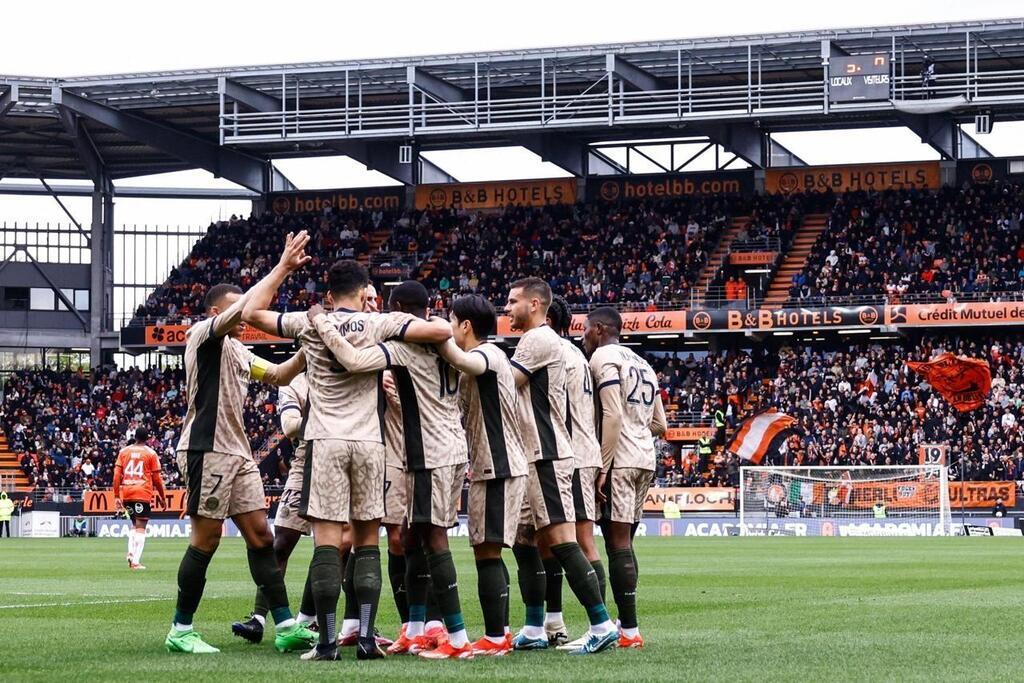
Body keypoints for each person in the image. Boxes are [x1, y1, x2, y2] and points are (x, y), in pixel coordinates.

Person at [243, 261, 451, 662]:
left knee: (327, 543)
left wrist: (284, 267)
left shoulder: (308, 321)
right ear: (363, 293)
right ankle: (368, 640)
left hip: (324, 440)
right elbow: (441, 330)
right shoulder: (379, 323)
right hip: (370, 443)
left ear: (329, 294)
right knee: (366, 541)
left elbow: (251, 311)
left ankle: (325, 643)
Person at [165, 231, 315, 656]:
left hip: (237, 452)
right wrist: (283, 267)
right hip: (205, 450)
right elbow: (249, 307)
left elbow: (282, 375)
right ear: (218, 312)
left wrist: (311, 346)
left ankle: (285, 625)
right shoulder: (203, 335)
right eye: (238, 309)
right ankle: (181, 628)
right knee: (206, 538)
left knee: (261, 537)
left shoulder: (238, 351)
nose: (247, 316)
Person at [308, 281, 473, 660]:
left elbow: (351, 360)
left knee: (426, 539)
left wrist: (322, 322)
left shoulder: (401, 349)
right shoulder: (450, 345)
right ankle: (416, 627)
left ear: (396, 310)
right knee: (410, 536)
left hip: (427, 452)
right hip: (447, 445)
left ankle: (457, 638)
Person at [504, 277, 618, 656]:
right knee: (528, 540)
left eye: (512, 301)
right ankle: (541, 624)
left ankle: (600, 623)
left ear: (540, 308)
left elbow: (558, 409)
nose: (506, 309)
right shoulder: (575, 354)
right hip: (550, 453)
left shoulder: (545, 345)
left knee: (570, 540)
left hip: (558, 453)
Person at [437, 294, 529, 656]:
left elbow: (459, 359)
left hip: (498, 466)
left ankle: (495, 636)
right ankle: (499, 633)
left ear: (465, 326)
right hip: (497, 464)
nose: (446, 326)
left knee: (487, 551)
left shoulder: (486, 355)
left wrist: (428, 334)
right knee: (487, 549)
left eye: (449, 320)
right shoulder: (489, 358)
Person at [583, 306, 667, 649]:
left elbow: (613, 413)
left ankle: (628, 631)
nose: (582, 335)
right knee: (625, 545)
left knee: (616, 544)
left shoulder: (603, 358)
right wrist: (637, 429)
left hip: (619, 459)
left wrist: (602, 466)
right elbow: (662, 425)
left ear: (601, 329)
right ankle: (625, 623)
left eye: (586, 328)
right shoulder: (643, 364)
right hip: (645, 458)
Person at [231, 372, 319, 644]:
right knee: (279, 545)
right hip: (304, 464)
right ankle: (258, 619)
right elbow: (290, 426)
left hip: (341, 463)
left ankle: (308, 620)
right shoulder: (297, 383)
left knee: (334, 549)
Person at [542, 295, 605, 650]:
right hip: (581, 451)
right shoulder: (576, 354)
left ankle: (602, 623)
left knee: (580, 540)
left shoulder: (553, 352)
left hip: (573, 454)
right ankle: (553, 621)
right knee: (553, 540)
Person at [113, 427, 166, 570]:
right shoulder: (151, 453)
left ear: (134, 437)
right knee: (141, 526)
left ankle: (130, 552)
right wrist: (162, 496)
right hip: (142, 492)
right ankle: (135, 561)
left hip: (127, 492)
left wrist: (117, 495)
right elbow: (157, 479)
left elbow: (117, 475)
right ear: (148, 438)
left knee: (134, 524)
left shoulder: (124, 452)